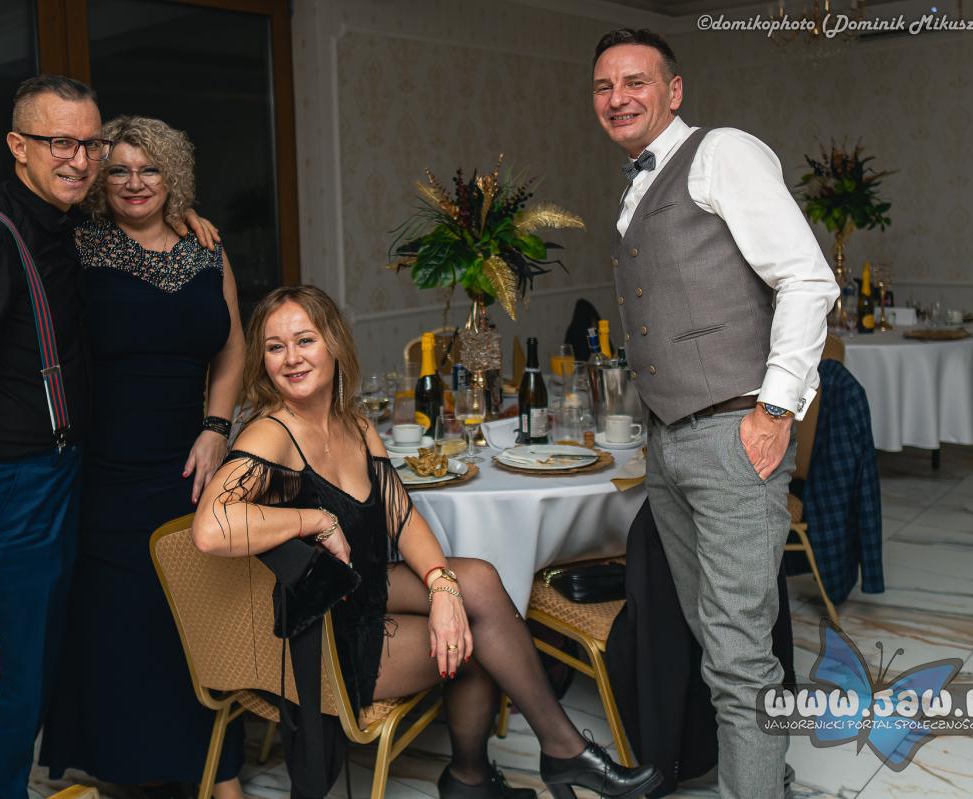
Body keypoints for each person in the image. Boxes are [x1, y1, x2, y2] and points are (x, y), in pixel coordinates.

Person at [191, 285, 663, 799]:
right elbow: (210, 527)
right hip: (323, 628)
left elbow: (402, 516)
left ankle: (520, 763)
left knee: (474, 583)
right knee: (478, 637)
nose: (291, 358)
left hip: (362, 587)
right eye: (275, 347)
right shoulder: (270, 434)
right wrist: (313, 519)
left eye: (304, 340)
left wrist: (441, 588)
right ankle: (494, 772)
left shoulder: (355, 424)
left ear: (333, 343)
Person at [0, 76, 216, 799]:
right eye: (59, 142)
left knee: (47, 657)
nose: (79, 160)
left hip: (66, 472)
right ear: (17, 146)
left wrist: (181, 211)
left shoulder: (65, 226)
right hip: (15, 483)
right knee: (10, 675)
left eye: (89, 144)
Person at [590, 29, 839, 799]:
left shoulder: (722, 152)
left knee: (736, 652)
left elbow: (807, 279)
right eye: (603, 86)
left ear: (674, 91)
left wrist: (774, 409)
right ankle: (768, 775)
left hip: (732, 433)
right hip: (670, 442)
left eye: (636, 81)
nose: (618, 98)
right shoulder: (638, 186)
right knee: (716, 637)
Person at [38, 116, 246, 798]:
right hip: (107, 467)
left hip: (191, 464)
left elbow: (233, 346)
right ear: (101, 178)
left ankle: (218, 769)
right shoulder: (78, 244)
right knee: (121, 626)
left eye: (150, 168)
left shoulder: (207, 248)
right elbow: (20, 304)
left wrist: (217, 426)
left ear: (172, 175)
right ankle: (126, 774)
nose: (134, 182)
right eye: (120, 169)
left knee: (198, 618)